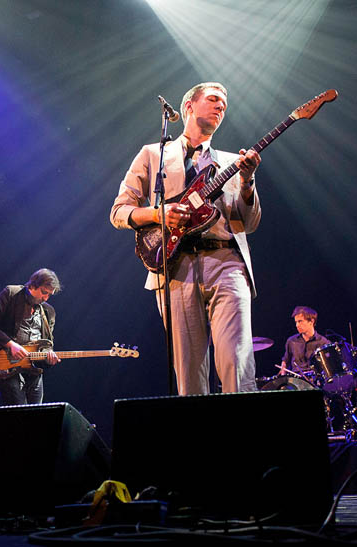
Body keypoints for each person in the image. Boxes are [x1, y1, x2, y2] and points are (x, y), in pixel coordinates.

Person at [110, 82, 261, 395]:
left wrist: (247, 182)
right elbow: (119, 212)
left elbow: (248, 222)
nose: (221, 106)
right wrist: (158, 214)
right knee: (189, 372)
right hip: (174, 265)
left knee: (236, 360)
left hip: (225, 261)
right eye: (214, 99)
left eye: (225, 104)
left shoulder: (233, 162)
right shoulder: (153, 154)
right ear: (189, 106)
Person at [0, 268, 62, 405]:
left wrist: (49, 357)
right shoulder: (11, 293)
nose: (45, 298)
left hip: (34, 371)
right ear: (33, 285)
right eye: (44, 292)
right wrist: (10, 344)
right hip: (8, 366)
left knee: (36, 416)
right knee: (19, 415)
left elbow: (47, 345)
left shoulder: (49, 312)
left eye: (49, 295)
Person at [278, 306, 330, 378]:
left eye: (300, 321)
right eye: (296, 322)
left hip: (315, 380)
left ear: (311, 321)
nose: (297, 325)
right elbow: (285, 361)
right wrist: (283, 375)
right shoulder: (291, 341)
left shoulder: (323, 342)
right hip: (296, 380)